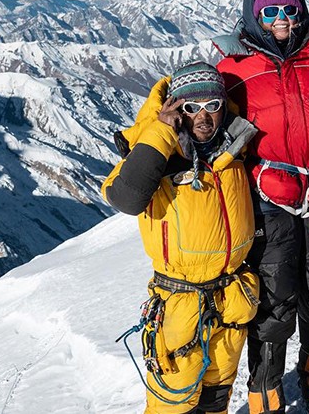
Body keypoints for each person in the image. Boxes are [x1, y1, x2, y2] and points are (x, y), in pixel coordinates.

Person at [208, 0, 309, 414]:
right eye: (269, 12)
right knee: (274, 294)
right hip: (267, 199)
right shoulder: (232, 73)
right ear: (253, 17)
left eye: (290, 8)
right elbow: (205, 124)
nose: (282, 18)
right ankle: (265, 390)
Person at [102, 62, 260, 414]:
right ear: (176, 110)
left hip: (231, 298)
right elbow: (126, 198)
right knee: (173, 405)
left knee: (217, 398)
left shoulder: (235, 148)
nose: (203, 117)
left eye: (212, 106)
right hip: (180, 306)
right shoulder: (159, 157)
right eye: (191, 108)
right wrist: (161, 131)